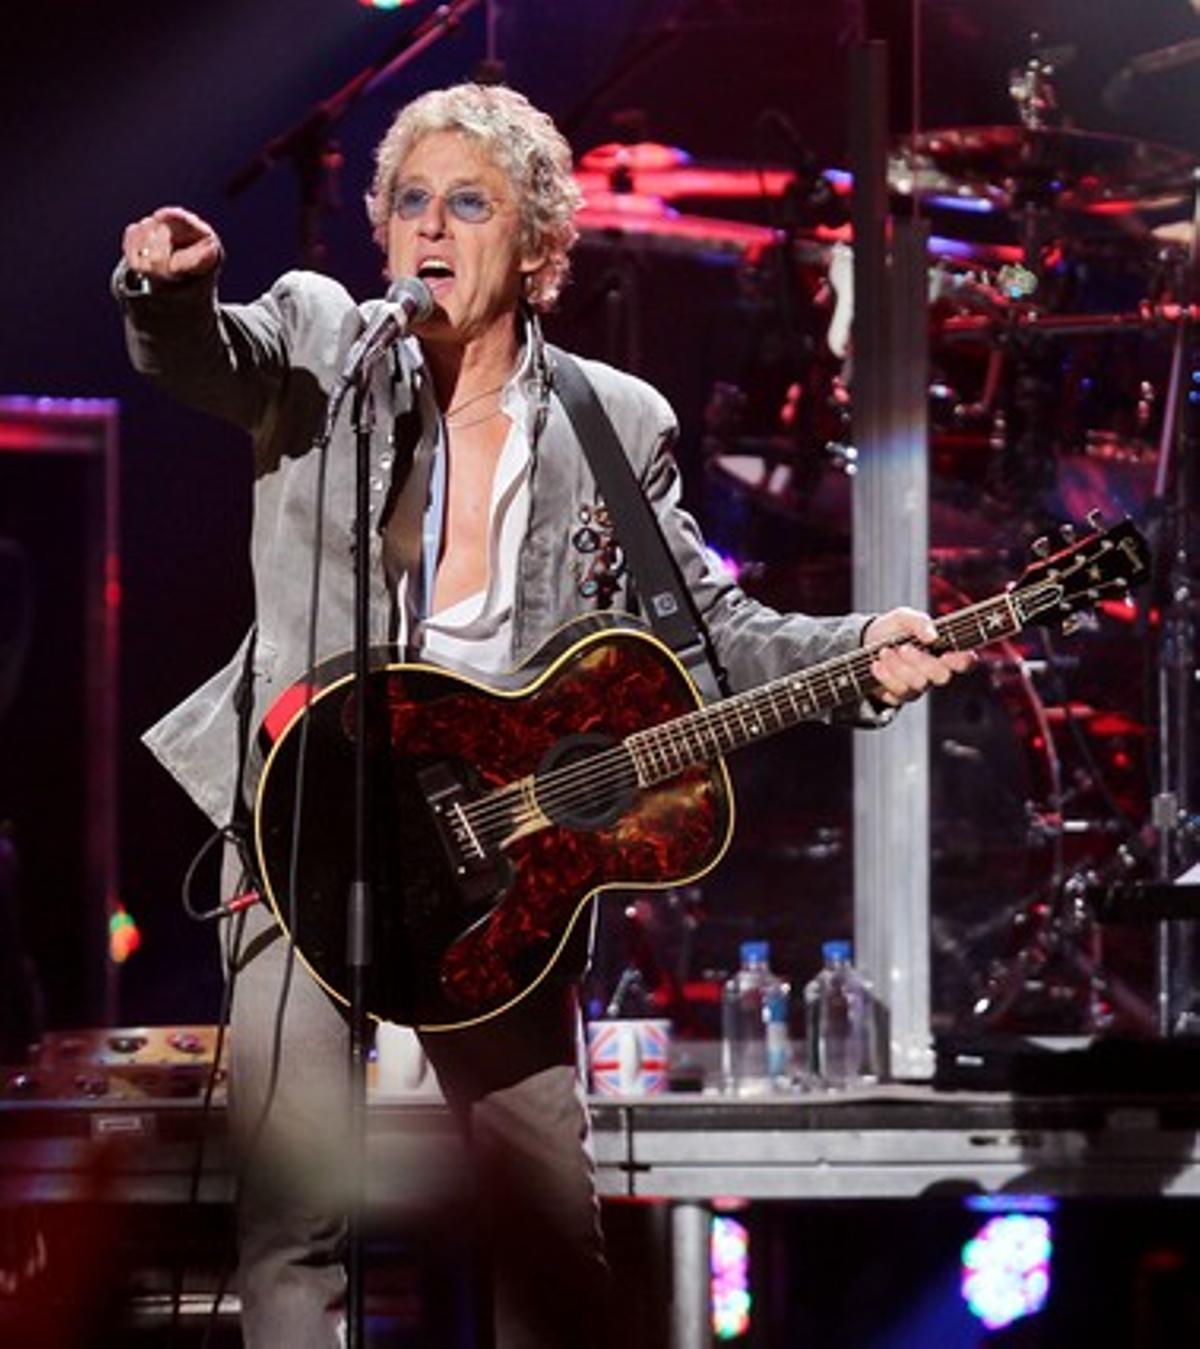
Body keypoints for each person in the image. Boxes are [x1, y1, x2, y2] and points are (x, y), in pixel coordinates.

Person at [114, 82, 971, 1349]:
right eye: (412, 202)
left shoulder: (613, 422)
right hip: (302, 827)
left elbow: (707, 633)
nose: (433, 230)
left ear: (542, 246)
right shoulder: (318, 346)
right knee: (293, 1217)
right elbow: (200, 353)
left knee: (546, 1217)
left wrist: (858, 648)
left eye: (471, 204)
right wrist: (169, 289)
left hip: (496, 856)